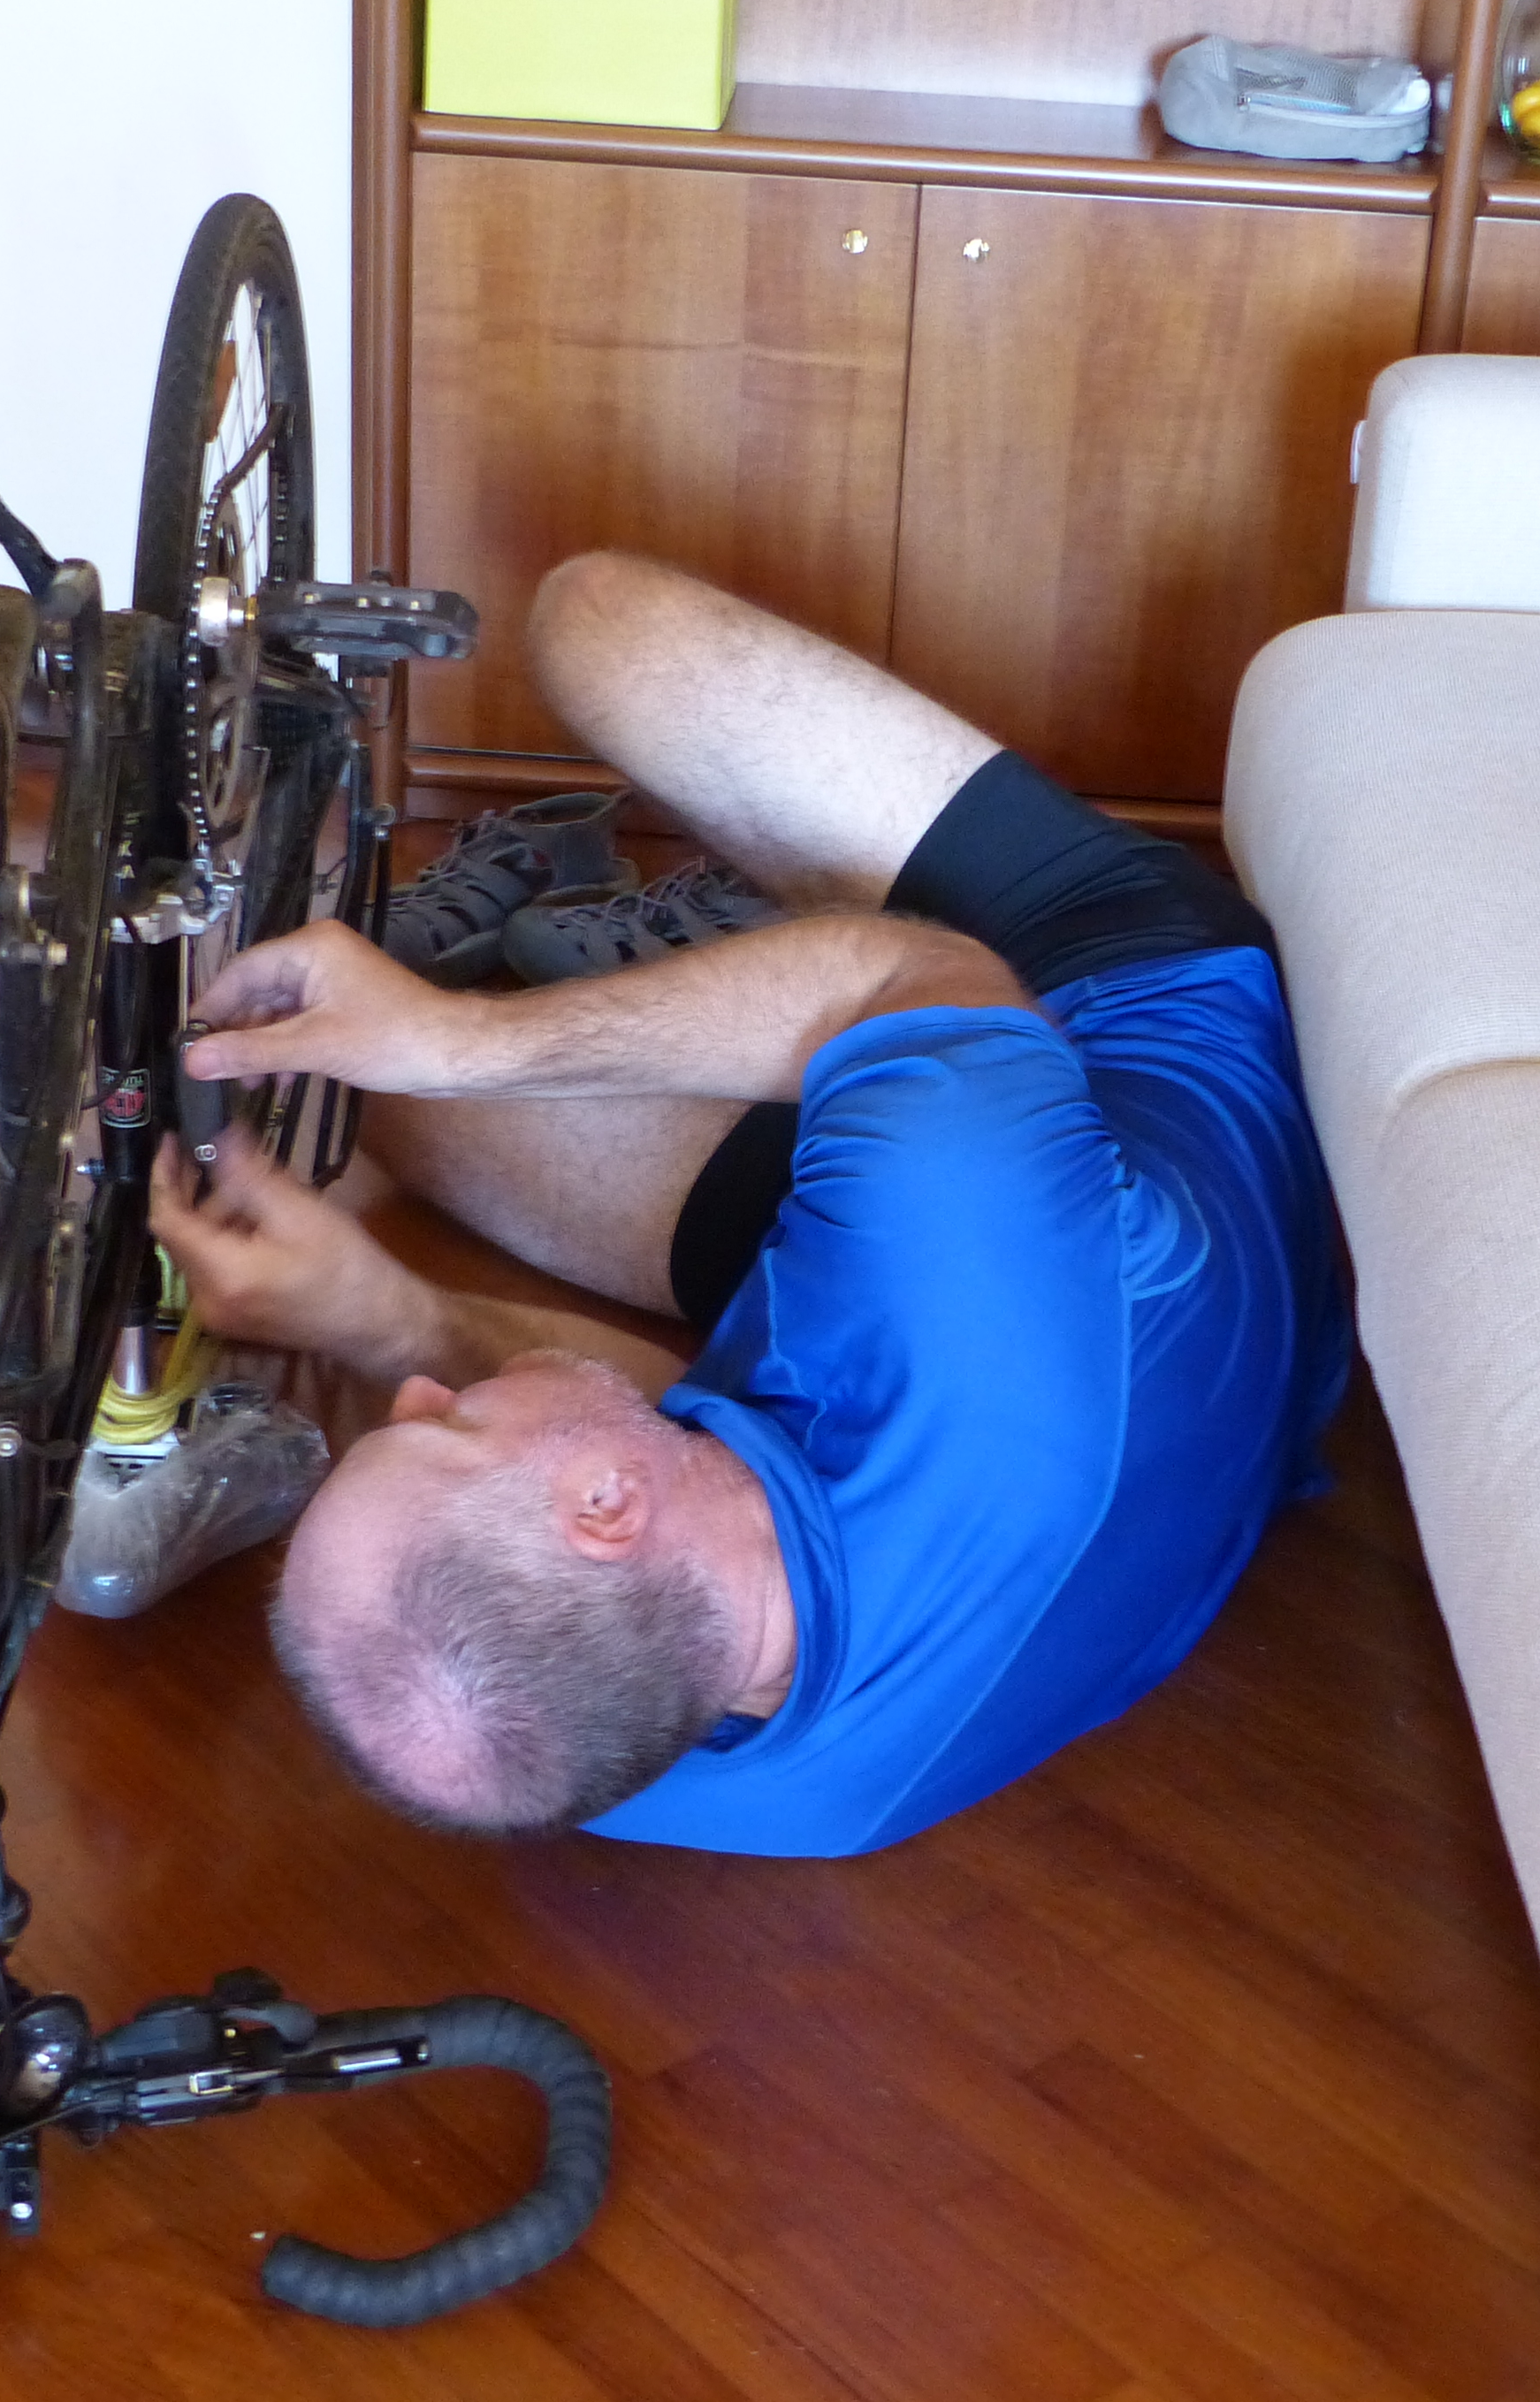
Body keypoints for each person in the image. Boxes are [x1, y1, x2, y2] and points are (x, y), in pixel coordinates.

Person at [149, 553, 1348, 1857]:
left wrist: (378, 1311)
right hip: (1105, 1001)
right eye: (443, 1428)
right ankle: (732, 951)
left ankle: (699, 970)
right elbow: (904, 973)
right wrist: (454, 1043)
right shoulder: (962, 1261)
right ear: (608, 1509)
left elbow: (654, 1430)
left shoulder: (622, 1762)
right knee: (598, 625)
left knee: (344, 1073)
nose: (419, 1394)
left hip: (972, 1265)